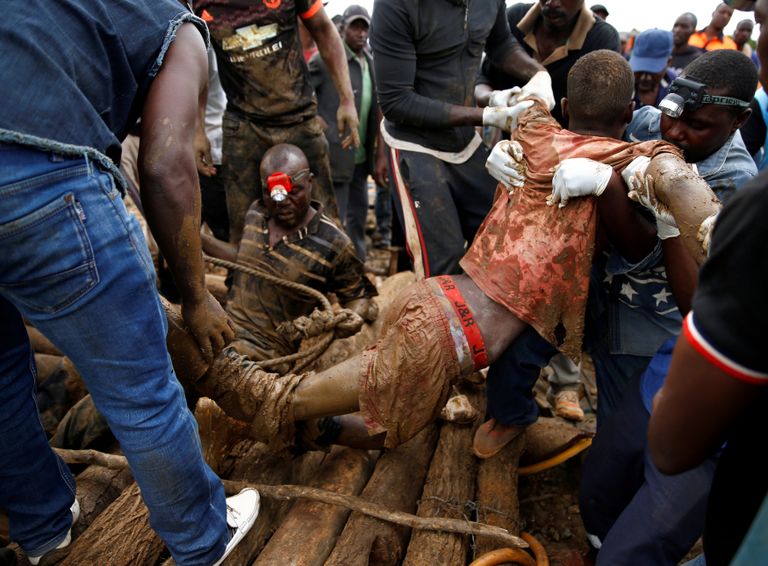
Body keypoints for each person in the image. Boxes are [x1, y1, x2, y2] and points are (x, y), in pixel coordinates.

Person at [169, 50, 702, 459]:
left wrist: (513, 119)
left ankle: (306, 421)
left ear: (567, 108)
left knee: (407, 404)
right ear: (631, 110)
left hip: (447, 301)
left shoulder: (541, 129)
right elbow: (664, 216)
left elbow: (537, 85)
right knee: (366, 402)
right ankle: (271, 400)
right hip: (459, 328)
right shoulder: (636, 156)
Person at [0, 2, 258, 566]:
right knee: (141, 391)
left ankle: (43, 527)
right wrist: (195, 296)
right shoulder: (177, 23)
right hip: (42, 183)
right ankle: (203, 540)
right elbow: (166, 164)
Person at [474, 48, 757, 458]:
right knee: (516, 349)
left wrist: (610, 187)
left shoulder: (735, 186)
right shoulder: (643, 124)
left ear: (739, 121)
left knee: (621, 429)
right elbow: (571, 141)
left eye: (696, 126)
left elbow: (657, 257)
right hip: (587, 281)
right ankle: (511, 417)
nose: (675, 133)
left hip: (645, 319)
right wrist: (516, 154)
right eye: (671, 117)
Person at [370, 0, 552, 277]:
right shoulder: (397, 5)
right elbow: (397, 102)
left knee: (503, 235)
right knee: (442, 262)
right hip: (414, 144)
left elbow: (500, 44)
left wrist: (538, 74)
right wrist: (488, 115)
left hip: (464, 143)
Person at [194, 0, 359, 244]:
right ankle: (245, 280)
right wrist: (198, 131)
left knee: (326, 223)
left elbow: (324, 30)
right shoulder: (198, 4)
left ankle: (337, 279)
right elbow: (199, 63)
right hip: (243, 124)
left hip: (299, 117)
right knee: (243, 228)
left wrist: (347, 100)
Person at [201, 144, 378, 372]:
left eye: (293, 192)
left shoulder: (334, 242)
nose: (282, 202)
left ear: (311, 182)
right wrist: (197, 239)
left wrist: (347, 320)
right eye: (271, 194)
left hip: (267, 358)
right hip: (226, 332)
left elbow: (359, 297)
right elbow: (244, 257)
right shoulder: (256, 212)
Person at [310, 5, 386, 261]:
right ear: (342, 28)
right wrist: (318, 121)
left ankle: (356, 263)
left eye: (365, 27)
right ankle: (328, 266)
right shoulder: (325, 59)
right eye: (355, 26)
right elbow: (301, 89)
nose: (361, 33)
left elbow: (377, 111)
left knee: (359, 213)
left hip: (360, 155)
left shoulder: (371, 64)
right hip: (335, 150)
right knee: (335, 215)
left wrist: (379, 153)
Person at [476, 0, 620, 127]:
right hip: (507, 151)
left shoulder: (602, 40)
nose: (552, 3)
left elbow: (599, 121)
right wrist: (493, 99)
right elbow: (482, 80)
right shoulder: (513, 19)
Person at [630, 29, 677, 109]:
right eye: (640, 70)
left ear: (668, 62)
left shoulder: (675, 88)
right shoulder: (619, 86)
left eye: (653, 71)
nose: (645, 78)